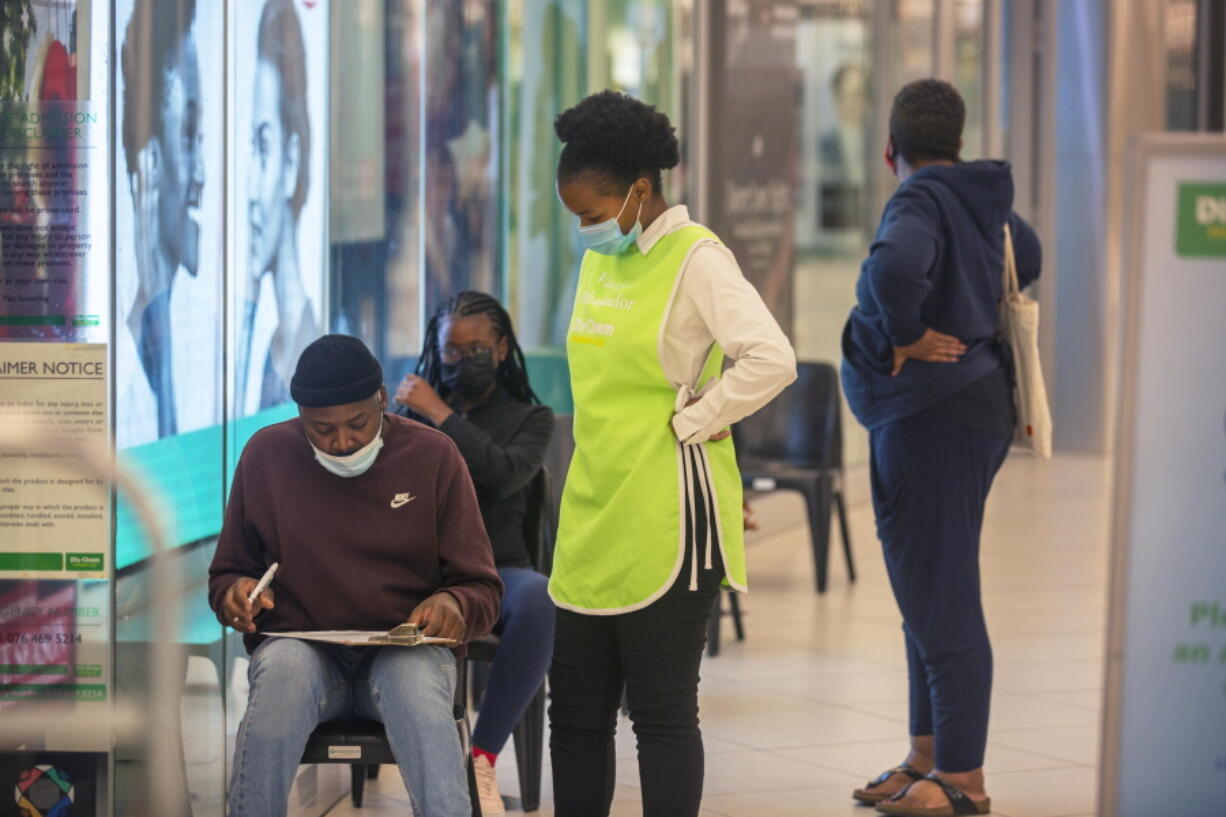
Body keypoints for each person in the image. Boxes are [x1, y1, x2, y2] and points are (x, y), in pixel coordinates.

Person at [549, 90, 797, 817]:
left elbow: (771, 356)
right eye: (577, 217)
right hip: (591, 510)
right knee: (575, 717)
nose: (586, 229)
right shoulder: (604, 258)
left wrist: (702, 414)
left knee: (659, 717)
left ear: (641, 189)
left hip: (667, 518)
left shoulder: (698, 259)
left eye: (593, 213)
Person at [840, 79, 1041, 817]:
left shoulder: (918, 200)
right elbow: (1034, 250)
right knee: (924, 591)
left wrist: (907, 335)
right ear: (955, 142)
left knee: (943, 594)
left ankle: (963, 775)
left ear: (890, 148)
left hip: (932, 419)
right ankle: (925, 753)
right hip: (972, 414)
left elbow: (896, 268)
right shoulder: (979, 199)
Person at [208, 334, 503, 817]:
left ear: (383, 401)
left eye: (358, 424)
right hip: (302, 649)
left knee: (413, 688)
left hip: (405, 649)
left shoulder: (434, 456)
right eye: (321, 429)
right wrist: (235, 594)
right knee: (281, 675)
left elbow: (483, 589)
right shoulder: (267, 455)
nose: (342, 442)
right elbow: (227, 573)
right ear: (299, 414)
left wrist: (454, 605)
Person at [394, 291, 555, 815]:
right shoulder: (406, 417)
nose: (462, 361)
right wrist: (403, 416)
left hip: (499, 568)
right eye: (451, 352)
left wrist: (440, 414)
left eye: (477, 349)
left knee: (540, 599)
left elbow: (505, 474)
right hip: (418, 568)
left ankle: (481, 759)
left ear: (503, 349)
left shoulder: (532, 419)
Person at [119, 0, 203, 439]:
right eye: (188, 138)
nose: (202, 176)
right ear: (150, 160)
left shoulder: (190, 342)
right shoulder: (119, 372)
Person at [237, 0, 319, 413]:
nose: (249, 189)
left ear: (291, 162)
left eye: (264, 147)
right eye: (250, 147)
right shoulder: (272, 346)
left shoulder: (308, 350)